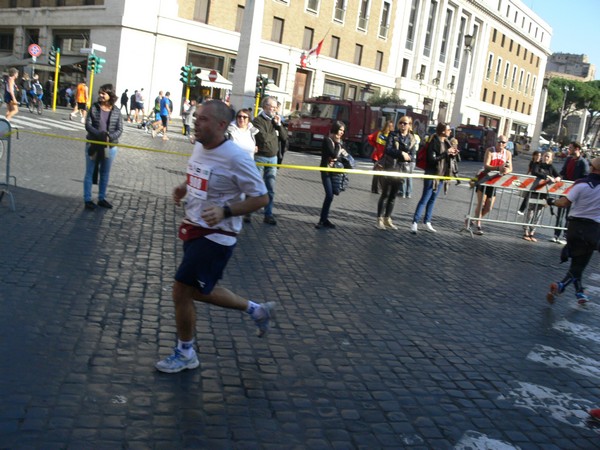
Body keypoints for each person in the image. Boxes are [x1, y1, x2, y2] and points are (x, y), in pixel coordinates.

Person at [155, 100, 273, 374]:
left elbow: (262, 198)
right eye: (197, 117)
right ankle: (256, 309)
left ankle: (186, 353)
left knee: (180, 290)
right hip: (193, 226)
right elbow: (199, 173)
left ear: (221, 125)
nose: (196, 122)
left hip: (218, 235)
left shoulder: (236, 156)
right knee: (198, 291)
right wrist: (184, 187)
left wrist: (225, 211)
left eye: (204, 119)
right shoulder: (199, 145)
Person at [546, 157, 600, 305]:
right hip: (591, 230)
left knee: (577, 263)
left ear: (592, 168)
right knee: (579, 266)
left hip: (573, 228)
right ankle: (560, 286)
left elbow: (564, 202)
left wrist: (551, 201)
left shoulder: (581, 184)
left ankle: (580, 293)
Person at [83, 83, 123, 210]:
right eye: (100, 93)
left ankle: (101, 198)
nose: (100, 95)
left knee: (105, 173)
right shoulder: (94, 108)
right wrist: (100, 135)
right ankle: (87, 199)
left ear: (110, 95)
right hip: (93, 144)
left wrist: (109, 137)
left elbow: (119, 129)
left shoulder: (116, 111)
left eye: (103, 93)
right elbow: (88, 125)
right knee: (89, 172)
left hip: (110, 147)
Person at [410, 122, 455, 234]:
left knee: (433, 199)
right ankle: (415, 222)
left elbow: (447, 157)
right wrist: (446, 153)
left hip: (442, 174)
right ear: (443, 131)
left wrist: (452, 154)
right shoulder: (433, 142)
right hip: (432, 173)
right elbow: (432, 159)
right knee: (425, 198)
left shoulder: (447, 142)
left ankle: (427, 222)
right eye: (448, 130)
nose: (450, 132)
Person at [251, 96, 288, 225]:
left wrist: (279, 126)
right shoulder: (257, 120)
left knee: (270, 188)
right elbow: (263, 138)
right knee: (254, 186)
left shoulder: (276, 121)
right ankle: (247, 212)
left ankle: (268, 214)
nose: (274, 110)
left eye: (275, 107)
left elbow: (284, 137)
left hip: (273, 158)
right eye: (271, 107)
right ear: (265, 107)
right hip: (260, 157)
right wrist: (274, 136)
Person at [376, 116, 415, 230]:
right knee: (385, 194)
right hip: (390, 167)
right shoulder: (393, 135)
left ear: (409, 125)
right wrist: (401, 153)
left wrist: (409, 157)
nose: (402, 125)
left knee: (393, 195)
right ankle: (379, 219)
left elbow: (413, 156)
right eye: (401, 123)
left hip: (402, 169)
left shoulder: (412, 138)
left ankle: (387, 218)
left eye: (405, 123)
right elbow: (387, 150)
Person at [470, 134, 513, 235]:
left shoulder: (508, 154)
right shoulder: (490, 150)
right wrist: (498, 168)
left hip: (494, 182)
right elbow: (486, 165)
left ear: (506, 144)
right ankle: (478, 226)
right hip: (484, 179)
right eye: (499, 141)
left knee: (489, 207)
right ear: (496, 142)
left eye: (503, 142)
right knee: (481, 204)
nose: (500, 144)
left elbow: (511, 168)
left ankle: (473, 220)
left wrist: (507, 171)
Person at [551, 142, 589, 244]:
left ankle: (565, 236)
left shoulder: (583, 162)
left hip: (575, 192)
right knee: (560, 213)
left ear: (577, 149)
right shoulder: (568, 159)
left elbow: (585, 177)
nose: (569, 150)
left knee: (569, 214)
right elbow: (563, 171)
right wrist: (559, 177)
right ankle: (556, 234)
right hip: (564, 190)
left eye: (571, 148)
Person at [522, 151, 560, 242]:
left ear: (550, 159)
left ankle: (532, 233)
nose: (546, 158)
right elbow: (535, 172)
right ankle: (526, 232)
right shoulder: (537, 164)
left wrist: (557, 178)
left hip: (543, 194)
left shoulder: (551, 167)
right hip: (534, 191)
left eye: (548, 156)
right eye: (545, 156)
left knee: (538, 213)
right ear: (542, 156)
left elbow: (557, 175)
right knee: (530, 212)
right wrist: (546, 177)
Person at [316, 121, 347, 229]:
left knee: (332, 195)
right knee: (329, 195)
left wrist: (338, 153)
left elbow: (341, 156)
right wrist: (338, 145)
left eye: (343, 131)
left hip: (335, 171)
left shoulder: (340, 142)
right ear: (335, 129)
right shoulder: (327, 140)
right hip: (326, 171)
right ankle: (322, 220)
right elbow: (333, 154)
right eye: (340, 130)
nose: (342, 133)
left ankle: (324, 219)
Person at [367, 120, 394, 194]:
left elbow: (369, 138)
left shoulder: (379, 133)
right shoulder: (391, 135)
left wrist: (375, 145)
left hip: (377, 156)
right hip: (383, 157)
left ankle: (375, 188)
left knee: (377, 173)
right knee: (381, 174)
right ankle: (379, 189)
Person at [517, 150, 541, 215]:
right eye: (537, 155)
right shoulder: (532, 162)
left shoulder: (540, 163)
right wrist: (526, 177)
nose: (538, 157)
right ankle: (522, 210)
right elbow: (529, 170)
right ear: (534, 156)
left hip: (537, 181)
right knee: (528, 195)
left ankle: (524, 210)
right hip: (531, 180)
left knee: (530, 196)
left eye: (539, 156)